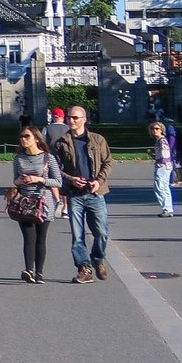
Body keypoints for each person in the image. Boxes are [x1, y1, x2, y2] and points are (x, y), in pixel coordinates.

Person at [50, 105, 114, 282]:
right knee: (77, 235)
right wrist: (71, 179)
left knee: (101, 232)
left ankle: (97, 258)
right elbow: (55, 169)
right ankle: (84, 268)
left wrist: (98, 181)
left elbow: (108, 162)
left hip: (95, 193)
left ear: (84, 119)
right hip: (74, 194)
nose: (71, 120)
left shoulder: (97, 140)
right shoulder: (61, 142)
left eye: (75, 118)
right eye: (69, 117)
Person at [7, 125, 66, 284]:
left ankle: (39, 272)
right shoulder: (18, 158)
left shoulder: (48, 158)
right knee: (28, 237)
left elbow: (58, 182)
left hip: (44, 202)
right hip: (25, 202)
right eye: (21, 137)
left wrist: (39, 179)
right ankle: (29, 270)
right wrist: (19, 181)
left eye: (27, 136)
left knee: (41, 237)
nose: (23, 139)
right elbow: (15, 180)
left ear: (37, 139)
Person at [148, 119, 177, 217]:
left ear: (161, 130)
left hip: (162, 166)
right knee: (164, 187)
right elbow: (159, 156)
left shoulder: (162, 141)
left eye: (157, 128)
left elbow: (165, 155)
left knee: (159, 188)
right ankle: (168, 209)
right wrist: (152, 154)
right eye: (152, 129)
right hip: (164, 165)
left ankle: (166, 208)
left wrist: (162, 164)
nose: (154, 130)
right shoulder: (159, 140)